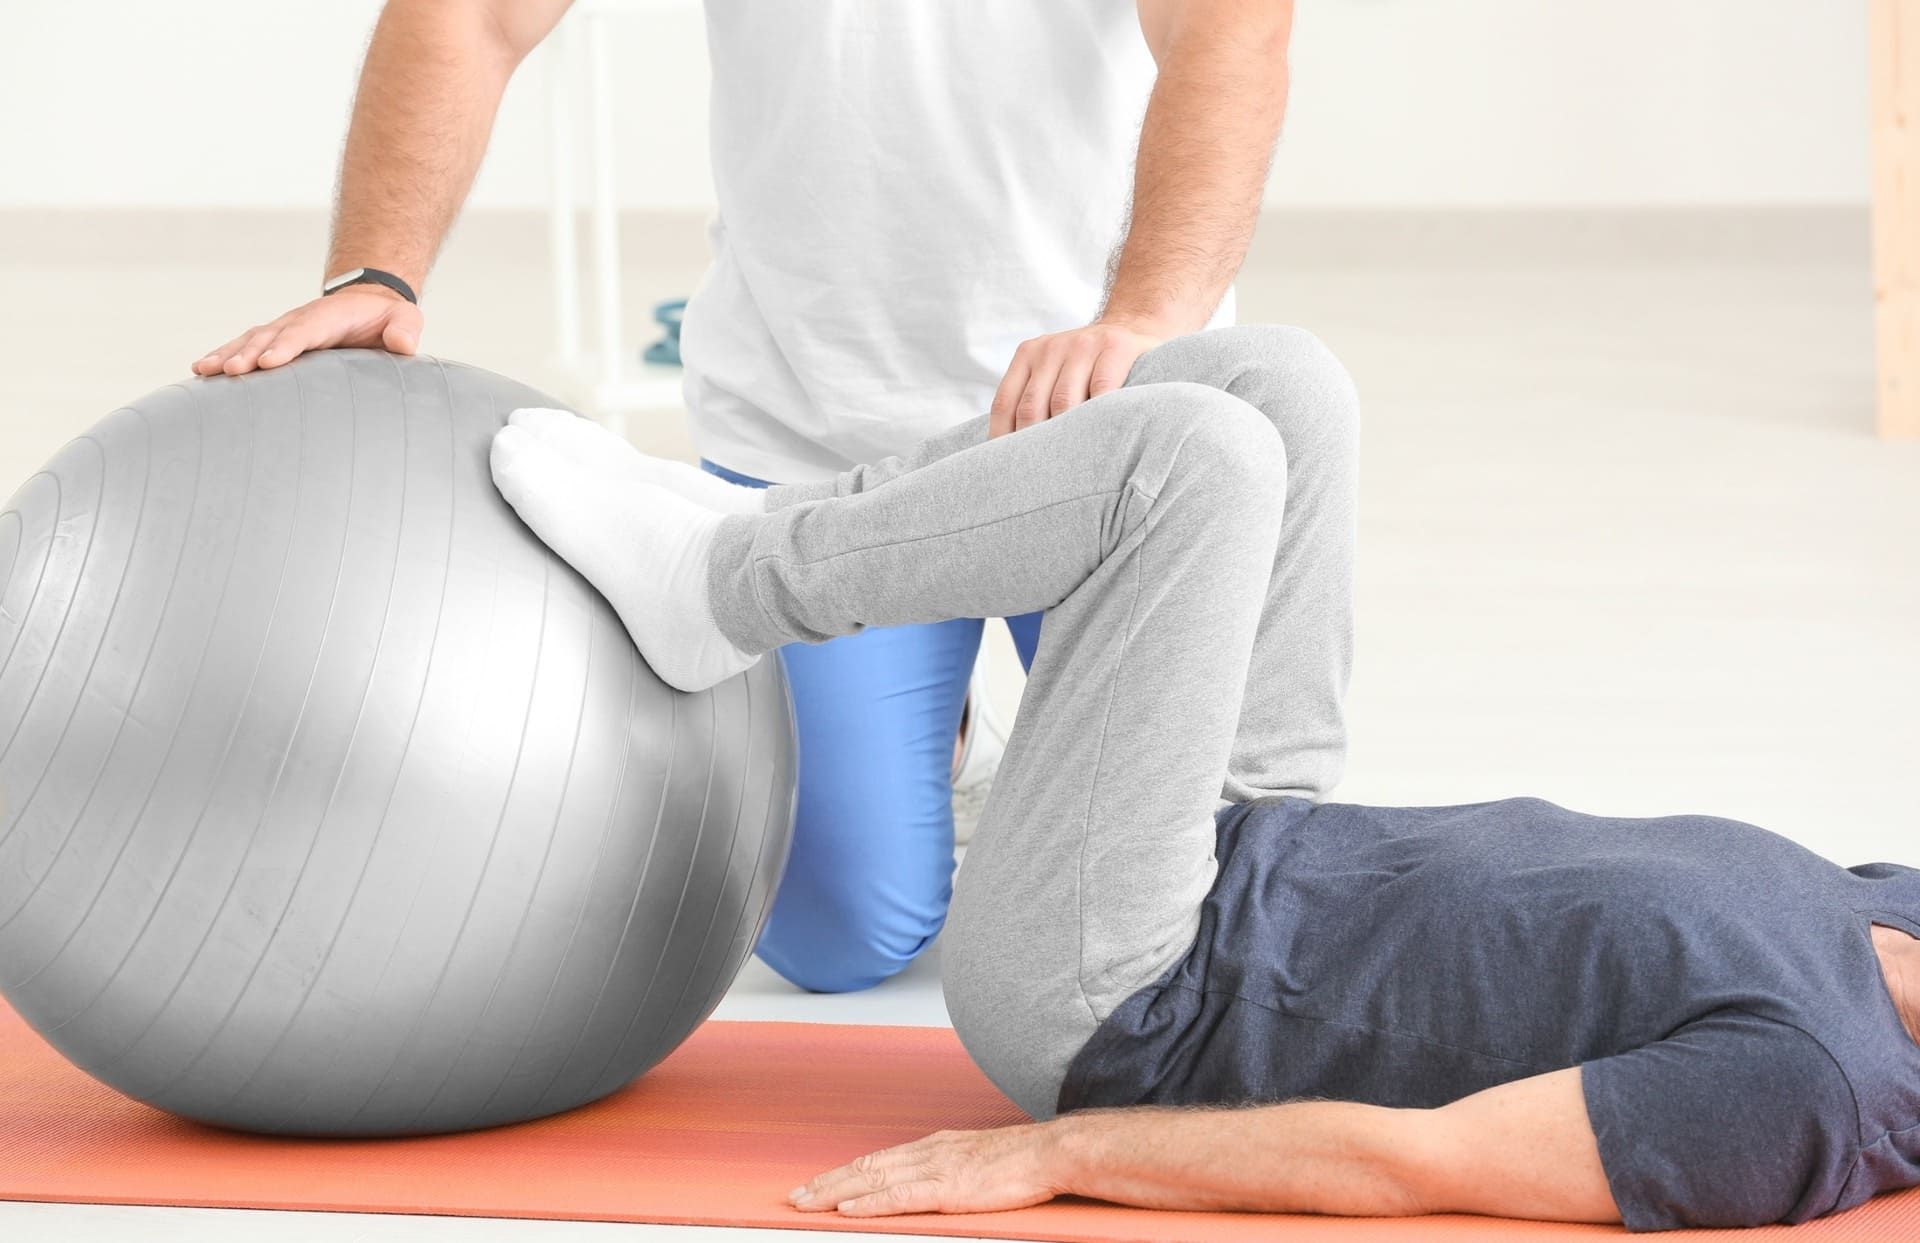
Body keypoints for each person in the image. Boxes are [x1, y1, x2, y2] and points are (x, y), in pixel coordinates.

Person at [489, 325, 1920, 1231]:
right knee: (1274, 388)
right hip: (1268, 840)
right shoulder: (1905, 916)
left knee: (1193, 461)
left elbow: (1419, 1163)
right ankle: (787, 521)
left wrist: (1074, 1155)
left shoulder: (1806, 1092)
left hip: (1133, 989)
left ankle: (725, 582)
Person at [190, 0, 1294, 994]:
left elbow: (1230, 25)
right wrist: (375, 274)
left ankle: (1001, 740)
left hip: (1104, 419)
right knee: (837, 937)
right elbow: (473, 15)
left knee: (1195, 908)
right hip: (810, 426)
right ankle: (953, 741)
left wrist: (1147, 314)